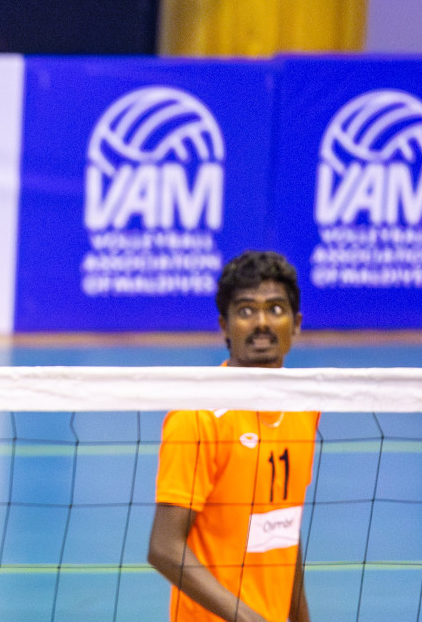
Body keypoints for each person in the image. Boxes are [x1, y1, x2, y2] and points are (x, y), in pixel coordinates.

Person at [148, 251, 317, 622]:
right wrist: (247, 618)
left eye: (275, 309)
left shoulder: (305, 408)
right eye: (246, 311)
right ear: (224, 325)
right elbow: (163, 547)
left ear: (297, 322)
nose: (262, 323)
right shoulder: (198, 417)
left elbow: (283, 529)